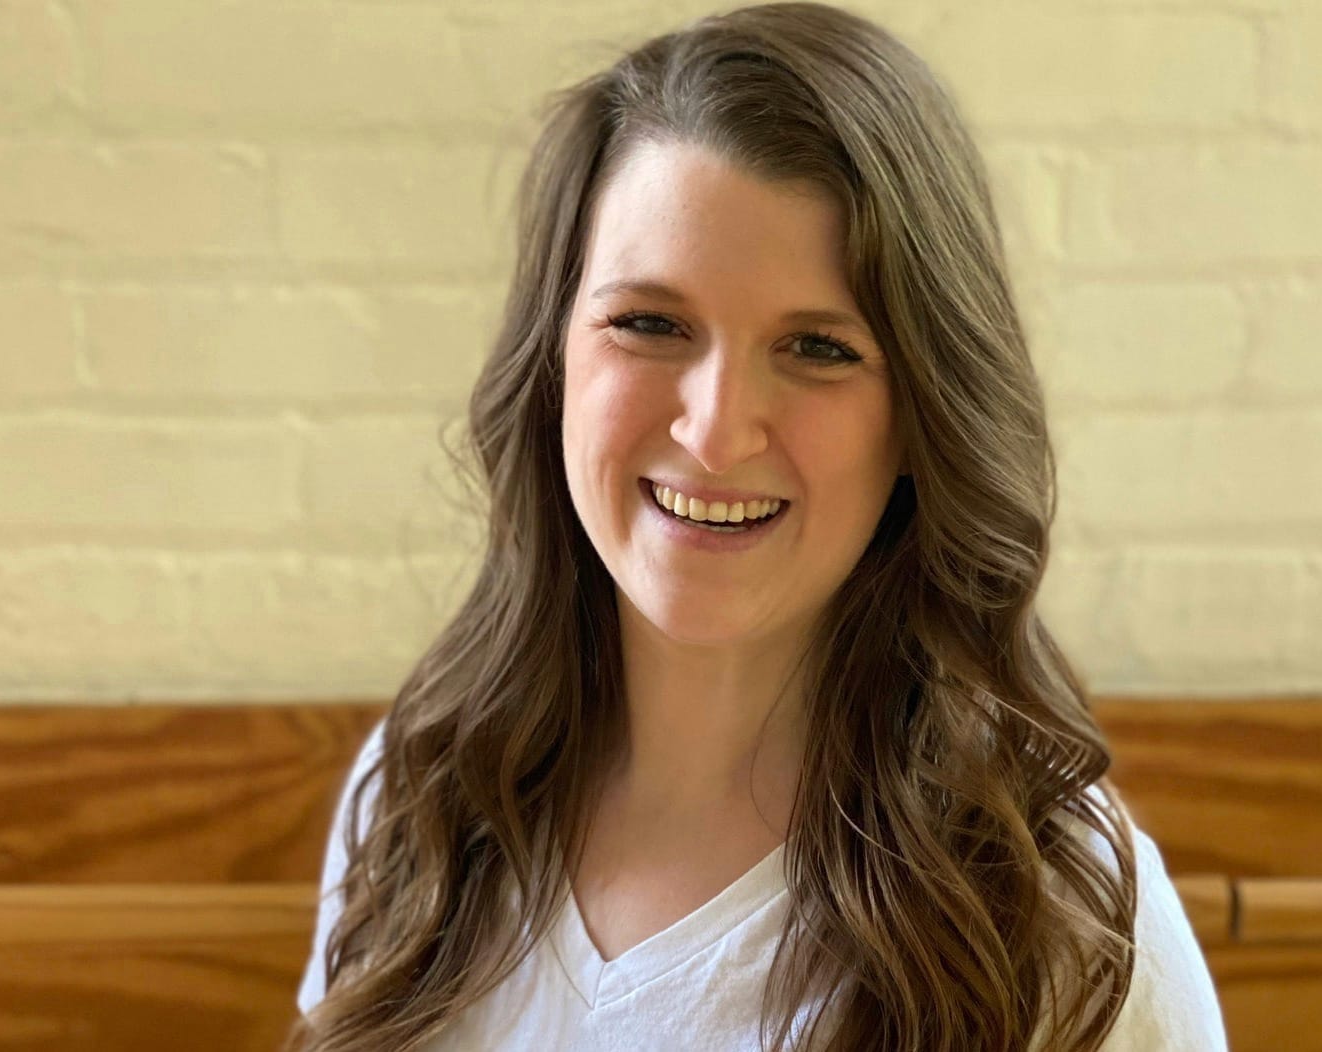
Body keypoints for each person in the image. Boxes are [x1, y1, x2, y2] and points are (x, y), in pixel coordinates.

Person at [290, 4, 1227, 1050]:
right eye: (649, 324)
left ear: (923, 413)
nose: (716, 430)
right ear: (554, 361)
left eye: (818, 349)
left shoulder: (1065, 915)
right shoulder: (421, 798)